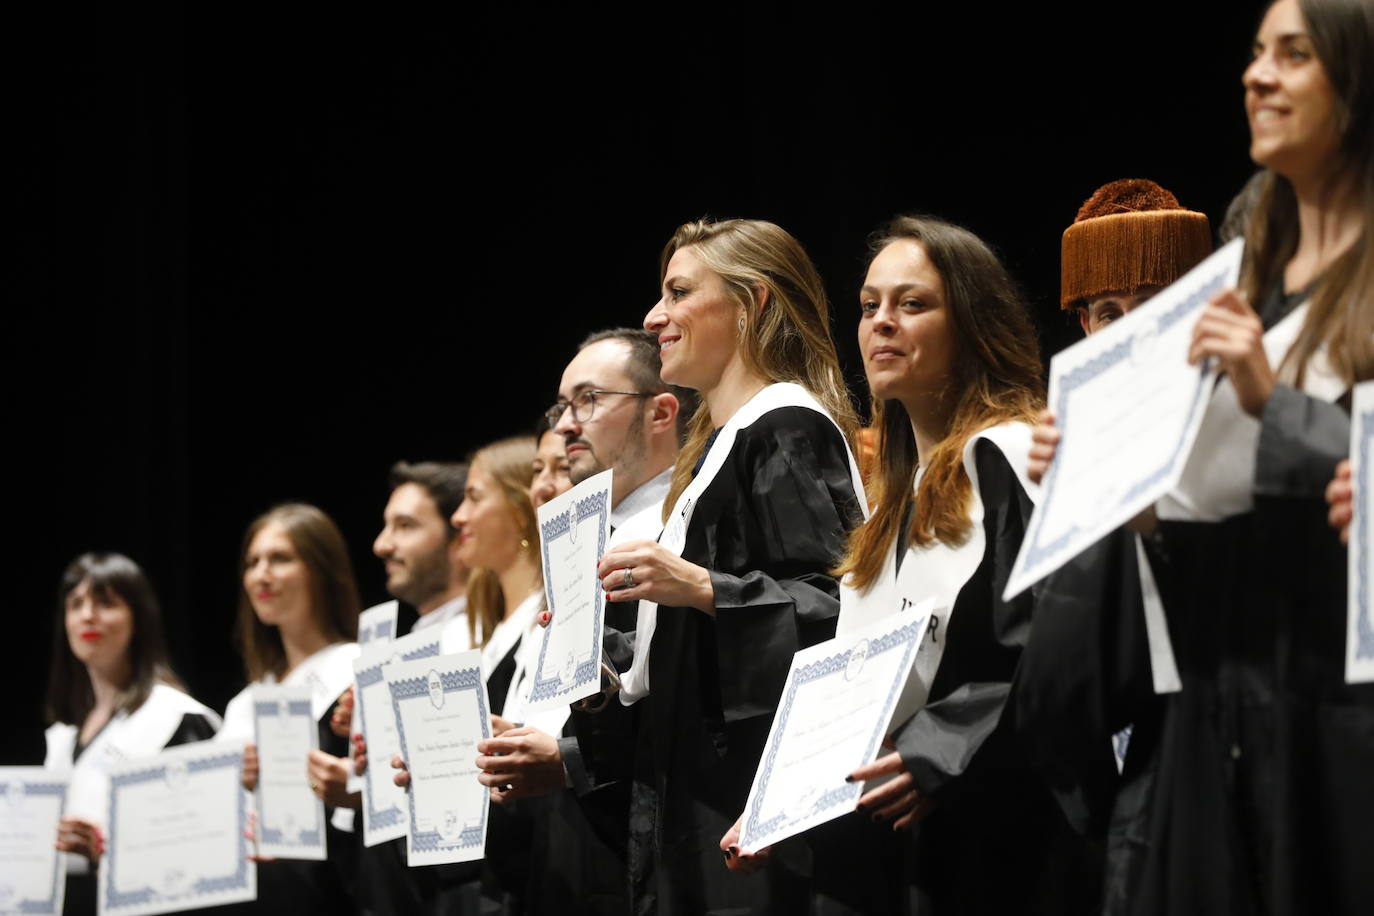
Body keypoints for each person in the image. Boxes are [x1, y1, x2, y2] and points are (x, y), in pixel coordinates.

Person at [1060, 2, 1372, 912]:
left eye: (1294, 54)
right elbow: (1218, 504)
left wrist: (1272, 403)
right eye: (1254, 54)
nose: (1257, 75)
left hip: (1338, 713)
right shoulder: (1251, 280)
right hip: (1226, 701)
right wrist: (1112, 485)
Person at [808, 215, 1100, 914]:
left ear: (971, 324)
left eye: (912, 304)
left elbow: (1053, 647)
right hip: (905, 837)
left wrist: (937, 753)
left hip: (1005, 832)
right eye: (870, 305)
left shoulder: (1010, 460)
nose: (882, 323)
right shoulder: (890, 504)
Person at [585, 218, 866, 914]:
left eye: (679, 293)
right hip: (690, 789)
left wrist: (703, 587)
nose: (654, 318)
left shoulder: (786, 427)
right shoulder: (719, 447)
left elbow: (838, 612)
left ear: (754, 304)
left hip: (749, 801)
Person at [1020, 179, 1214, 912]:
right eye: (1109, 313)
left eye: (1155, 308)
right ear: (1084, 328)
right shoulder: (1057, 451)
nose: (1130, 330)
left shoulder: (1245, 424)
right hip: (1118, 792)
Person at [473, 329, 693, 916]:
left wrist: (567, 758)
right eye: (561, 406)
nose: (566, 424)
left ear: (660, 411)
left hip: (651, 841)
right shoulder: (582, 534)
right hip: (563, 838)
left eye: (588, 401)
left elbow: (685, 703)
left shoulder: (682, 530)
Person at [45, 552, 221, 916]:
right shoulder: (65, 735)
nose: (87, 615)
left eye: (105, 603)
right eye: (75, 604)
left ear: (138, 619)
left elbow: (203, 851)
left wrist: (107, 852)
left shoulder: (177, 719)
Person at [217, 503, 362, 915]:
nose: (261, 574)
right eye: (253, 562)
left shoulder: (356, 668)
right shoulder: (245, 702)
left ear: (321, 569)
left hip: (327, 896)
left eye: (280, 559)